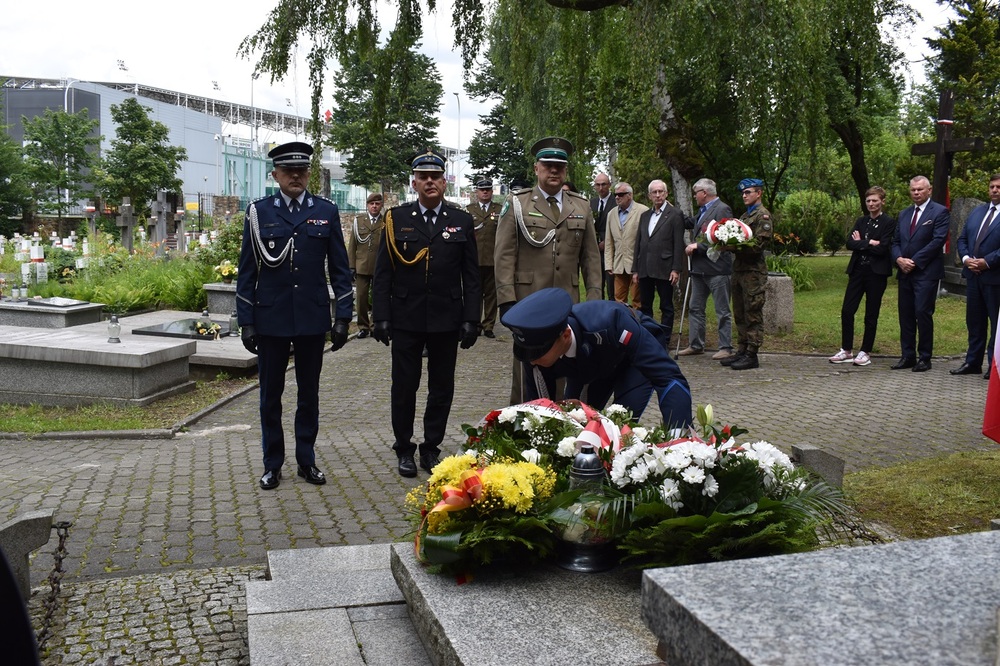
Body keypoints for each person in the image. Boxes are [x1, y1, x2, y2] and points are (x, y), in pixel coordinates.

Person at [237, 141, 354, 490]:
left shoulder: (325, 211)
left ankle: (307, 460)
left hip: (311, 318)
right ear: (275, 175)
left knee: (309, 396)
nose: (296, 176)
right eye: (289, 171)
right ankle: (272, 464)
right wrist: (246, 321)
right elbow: (247, 272)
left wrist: (343, 317)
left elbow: (340, 269)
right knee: (269, 396)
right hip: (270, 319)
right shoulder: (259, 213)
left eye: (301, 170)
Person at [372, 150, 481, 477]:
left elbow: (471, 276)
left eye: (436, 177)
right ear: (414, 182)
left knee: (441, 387)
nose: (430, 182)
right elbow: (383, 273)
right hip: (406, 316)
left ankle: (431, 447)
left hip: (447, 317)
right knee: (404, 387)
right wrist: (381, 316)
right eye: (424, 177)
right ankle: (404, 448)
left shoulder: (461, 220)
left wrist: (471, 318)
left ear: (444, 182)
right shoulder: (396, 219)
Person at [495, 136, 603, 402]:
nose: (554, 171)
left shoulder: (580, 205)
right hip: (529, 300)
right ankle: (524, 417)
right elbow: (504, 254)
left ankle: (564, 416)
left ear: (566, 170)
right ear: (536, 168)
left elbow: (591, 258)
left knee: (567, 360)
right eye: (548, 165)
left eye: (559, 166)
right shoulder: (518, 203)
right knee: (527, 366)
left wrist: (594, 300)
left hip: (568, 300)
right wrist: (507, 299)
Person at [502, 288, 693, 432]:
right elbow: (539, 410)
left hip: (632, 361)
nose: (532, 362)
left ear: (565, 335)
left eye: (538, 354)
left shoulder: (612, 322)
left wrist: (679, 438)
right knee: (577, 422)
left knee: (620, 423)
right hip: (590, 366)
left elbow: (669, 378)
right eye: (529, 355)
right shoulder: (536, 348)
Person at [828, 186, 895, 367]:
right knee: (847, 310)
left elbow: (883, 248)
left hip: (876, 274)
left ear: (882, 201)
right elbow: (850, 243)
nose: (871, 204)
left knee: (871, 314)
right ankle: (846, 349)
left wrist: (862, 243)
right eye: (868, 201)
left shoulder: (888, 222)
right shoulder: (861, 221)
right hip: (857, 271)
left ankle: (865, 351)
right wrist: (870, 242)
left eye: (875, 200)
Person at [890, 175, 950, 372]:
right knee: (905, 315)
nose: (916, 193)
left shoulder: (940, 212)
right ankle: (907, 356)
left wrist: (914, 262)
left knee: (922, 313)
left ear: (929, 190)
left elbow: (938, 241)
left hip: (926, 272)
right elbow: (895, 241)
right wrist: (899, 259)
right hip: (904, 272)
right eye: (913, 190)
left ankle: (925, 357)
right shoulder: (904, 214)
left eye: (920, 189)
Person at [951, 173, 1000, 379]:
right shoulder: (978, 211)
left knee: (996, 324)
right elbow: (962, 239)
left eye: (998, 187)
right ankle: (973, 362)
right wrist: (966, 259)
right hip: (973, 276)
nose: (994, 190)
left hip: (995, 278)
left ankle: (994, 366)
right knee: (974, 322)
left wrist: (986, 262)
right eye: (992, 186)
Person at [680, 178, 735, 359]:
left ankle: (726, 347)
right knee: (695, 308)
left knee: (722, 310)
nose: (694, 196)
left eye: (696, 193)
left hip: (717, 269)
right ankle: (696, 344)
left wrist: (698, 246)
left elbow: (724, 236)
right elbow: (691, 223)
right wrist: (671, 210)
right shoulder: (703, 210)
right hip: (699, 269)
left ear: (704, 193)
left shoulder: (722, 209)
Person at [722, 178, 773, 371]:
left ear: (758, 193)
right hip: (739, 270)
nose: (744, 196)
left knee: (752, 312)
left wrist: (733, 247)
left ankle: (752, 354)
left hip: (753, 272)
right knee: (740, 312)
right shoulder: (744, 216)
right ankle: (742, 349)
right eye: (743, 193)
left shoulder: (763, 216)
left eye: (748, 192)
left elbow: (759, 245)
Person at [633, 179, 684, 335]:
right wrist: (635, 269)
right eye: (654, 192)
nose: (657, 195)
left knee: (666, 306)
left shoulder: (675, 214)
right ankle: (648, 336)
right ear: (649, 196)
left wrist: (676, 269)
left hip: (665, 267)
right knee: (645, 305)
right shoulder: (644, 216)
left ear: (666, 193)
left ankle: (665, 338)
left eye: (660, 191)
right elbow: (639, 243)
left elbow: (678, 243)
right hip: (645, 267)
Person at [467, 178, 502, 338]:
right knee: (475, 294)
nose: (485, 192)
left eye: (488, 189)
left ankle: (488, 326)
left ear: (492, 191)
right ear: (477, 192)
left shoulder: (500, 210)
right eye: (482, 190)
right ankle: (475, 324)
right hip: (474, 259)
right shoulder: (469, 210)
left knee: (491, 295)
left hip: (493, 259)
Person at [347, 192, 384, 339]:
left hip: (379, 266)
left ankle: (375, 326)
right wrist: (351, 266)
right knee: (361, 297)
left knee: (377, 297)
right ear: (367, 205)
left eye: (377, 204)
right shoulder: (359, 221)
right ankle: (363, 326)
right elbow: (352, 245)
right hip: (361, 265)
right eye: (371, 204)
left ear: (381, 205)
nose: (374, 206)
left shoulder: (386, 222)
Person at [605, 182, 648, 309]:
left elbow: (646, 241)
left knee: (637, 300)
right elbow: (608, 241)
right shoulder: (611, 214)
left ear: (630, 195)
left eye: (621, 194)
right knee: (618, 299)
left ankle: (637, 321)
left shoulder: (643, 211)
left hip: (637, 264)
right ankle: (622, 320)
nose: (617, 197)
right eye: (616, 194)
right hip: (619, 264)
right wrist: (608, 263)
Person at [590, 172, 614, 299]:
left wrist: (607, 241)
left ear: (609, 185)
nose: (600, 188)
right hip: (595, 249)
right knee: (597, 284)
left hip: (611, 250)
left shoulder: (616, 201)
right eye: (598, 185)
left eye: (603, 184)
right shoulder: (591, 203)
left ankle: (613, 306)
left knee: (611, 285)